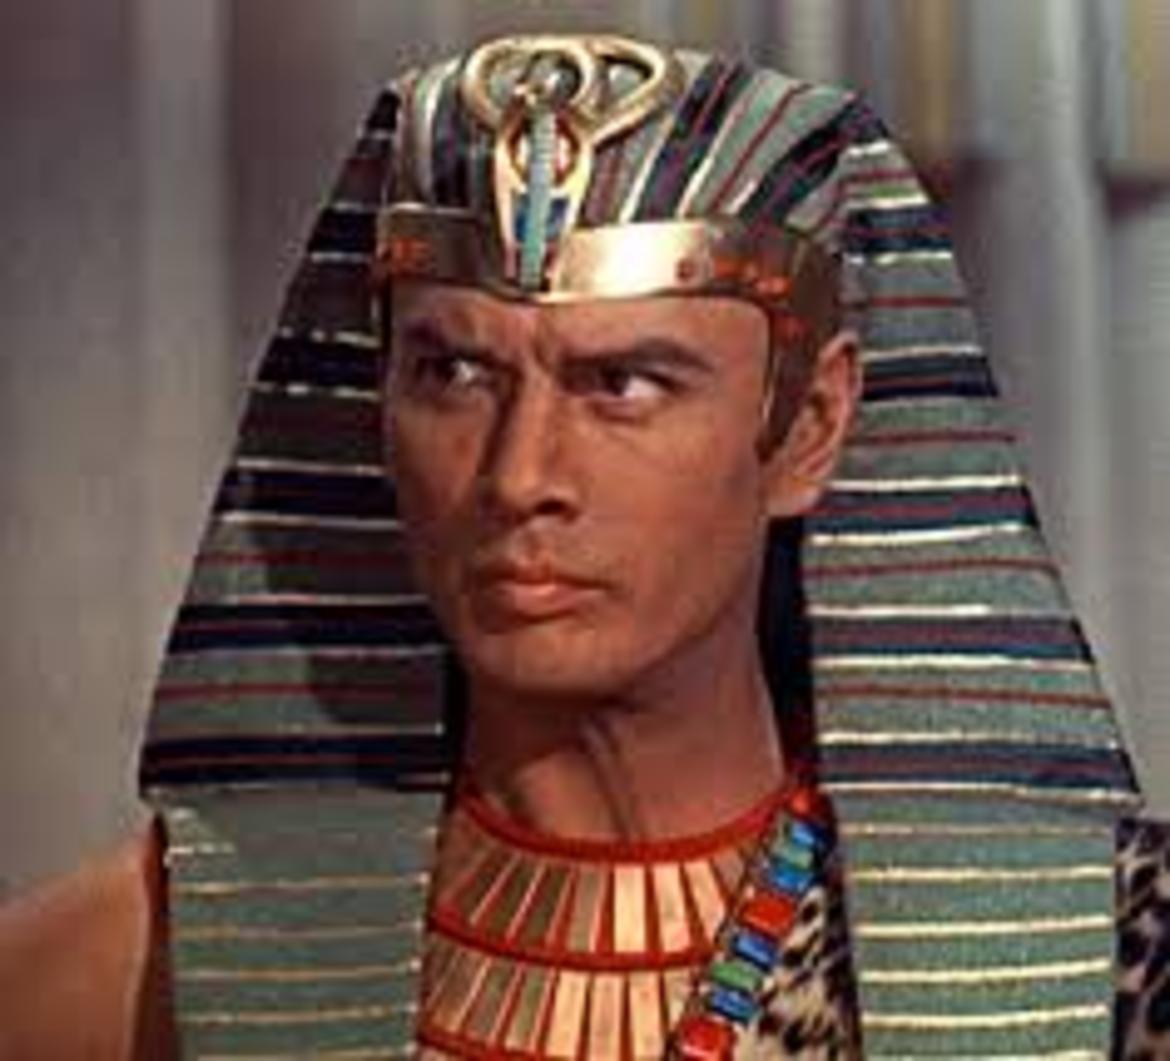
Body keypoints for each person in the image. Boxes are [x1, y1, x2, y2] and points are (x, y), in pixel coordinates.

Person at [0, 31, 1157, 1059]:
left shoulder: (1083, 954)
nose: (519, 476)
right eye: (453, 372)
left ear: (808, 425)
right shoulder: (176, 961)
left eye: (624, 383)